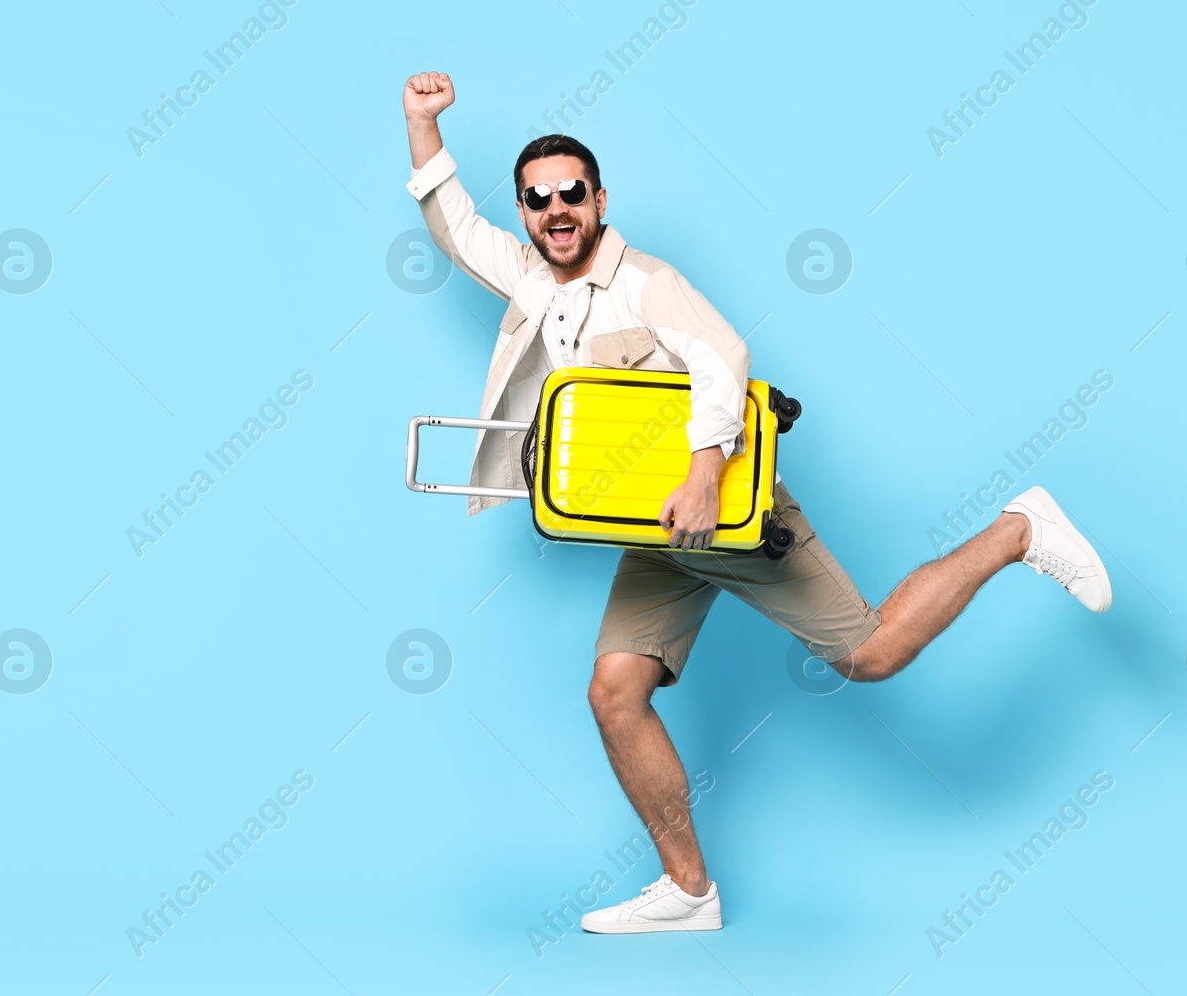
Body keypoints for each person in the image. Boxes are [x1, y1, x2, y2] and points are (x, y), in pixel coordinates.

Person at [402, 70, 1112, 934]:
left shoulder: (648, 280)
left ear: (598, 198)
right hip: (655, 527)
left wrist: (704, 471)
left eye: (571, 194)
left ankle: (1019, 527)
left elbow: (722, 354)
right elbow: (453, 230)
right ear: (524, 209)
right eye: (537, 199)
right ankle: (689, 890)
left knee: (874, 654)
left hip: (731, 508)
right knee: (614, 692)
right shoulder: (530, 278)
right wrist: (422, 124)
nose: (556, 210)